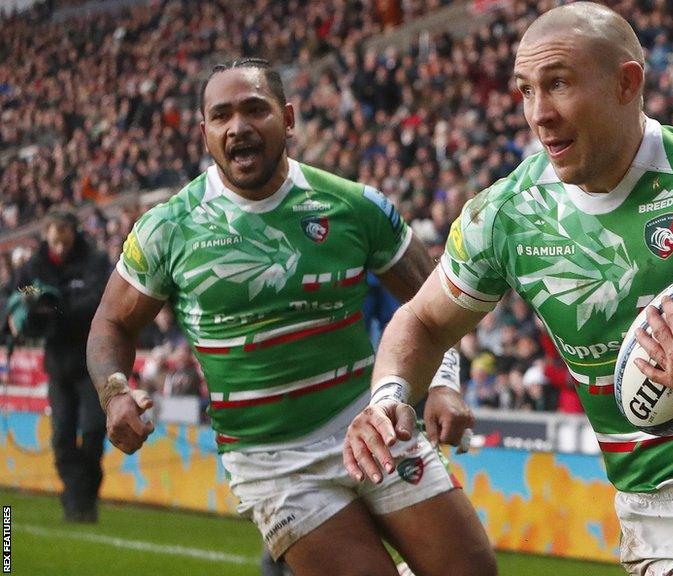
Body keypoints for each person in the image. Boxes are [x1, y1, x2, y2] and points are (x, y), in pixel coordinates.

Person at [343, 4, 673, 575]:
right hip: (654, 517)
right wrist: (390, 397)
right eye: (525, 91)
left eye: (560, 84)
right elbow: (421, 322)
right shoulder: (506, 215)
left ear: (628, 83)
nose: (539, 115)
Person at [86, 59, 496, 576]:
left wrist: (442, 383)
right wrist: (115, 392)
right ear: (205, 132)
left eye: (255, 110)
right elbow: (111, 324)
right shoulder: (168, 229)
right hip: (271, 460)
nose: (238, 127)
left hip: (370, 424)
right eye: (221, 116)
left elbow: (434, 299)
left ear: (288, 117)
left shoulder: (354, 206)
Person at [9, 208, 110, 522]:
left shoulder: (94, 262)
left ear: (73, 232)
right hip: (58, 362)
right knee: (62, 437)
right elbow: (19, 291)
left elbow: (96, 301)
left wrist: (55, 308)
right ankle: (75, 500)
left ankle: (84, 495)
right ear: (46, 235)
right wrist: (36, 298)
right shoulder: (35, 265)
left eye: (64, 234)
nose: (59, 242)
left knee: (94, 433)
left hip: (92, 360)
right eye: (53, 235)